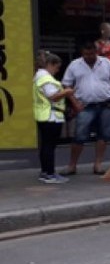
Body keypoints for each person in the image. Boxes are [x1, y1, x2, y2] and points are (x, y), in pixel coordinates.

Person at [61, 41, 110, 175]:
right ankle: (72, 165)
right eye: (86, 54)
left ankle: (98, 165)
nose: (89, 56)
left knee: (103, 136)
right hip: (84, 106)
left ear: (96, 52)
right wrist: (74, 102)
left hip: (105, 104)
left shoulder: (107, 63)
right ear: (82, 53)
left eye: (91, 53)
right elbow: (66, 85)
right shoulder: (75, 65)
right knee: (79, 136)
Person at [34, 51, 74, 184]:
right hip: (51, 116)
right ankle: (50, 174)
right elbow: (52, 96)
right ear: (50, 64)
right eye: (57, 67)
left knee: (46, 145)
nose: (57, 71)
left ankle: (45, 172)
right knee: (49, 146)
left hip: (45, 115)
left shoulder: (40, 77)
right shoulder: (45, 78)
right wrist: (66, 92)